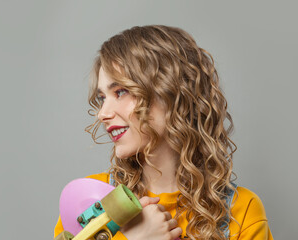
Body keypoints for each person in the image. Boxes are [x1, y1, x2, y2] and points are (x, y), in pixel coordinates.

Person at [54, 25, 273, 240]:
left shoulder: (241, 212)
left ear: (173, 95)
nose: (103, 114)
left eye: (121, 92)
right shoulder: (88, 204)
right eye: (102, 98)